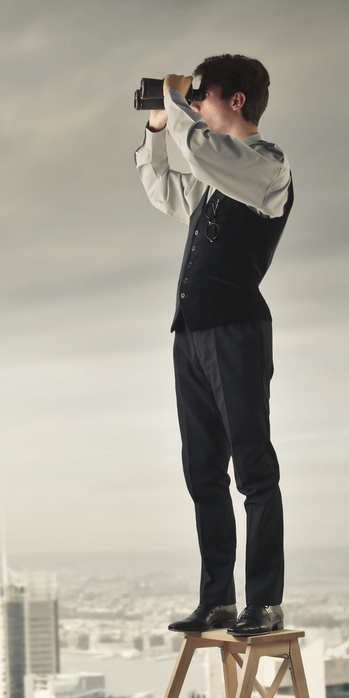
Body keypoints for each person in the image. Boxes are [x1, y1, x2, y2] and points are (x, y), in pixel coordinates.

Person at [135, 54, 294, 639]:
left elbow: (202, 150)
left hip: (235, 332)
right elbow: (161, 188)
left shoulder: (267, 168)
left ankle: (266, 601)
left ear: (237, 101)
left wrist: (177, 103)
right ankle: (219, 600)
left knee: (253, 468)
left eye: (206, 94)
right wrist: (157, 126)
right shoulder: (213, 183)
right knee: (203, 473)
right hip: (192, 336)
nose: (197, 102)